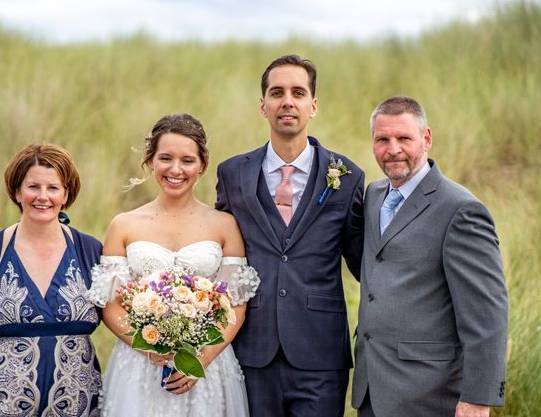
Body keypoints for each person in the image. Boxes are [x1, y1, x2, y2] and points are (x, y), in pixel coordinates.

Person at [215, 55, 365, 416]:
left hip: (321, 354)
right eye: (277, 92)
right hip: (252, 349)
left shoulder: (346, 176)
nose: (287, 101)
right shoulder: (233, 173)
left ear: (312, 105)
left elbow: (364, 263)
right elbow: (219, 252)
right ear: (262, 105)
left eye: (298, 93)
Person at [88, 113, 260, 417]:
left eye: (187, 160)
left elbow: (236, 305)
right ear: (150, 160)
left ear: (203, 164)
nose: (175, 170)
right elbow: (111, 305)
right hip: (139, 365)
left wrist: (200, 361)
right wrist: (150, 349)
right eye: (165, 158)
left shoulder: (225, 225)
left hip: (207, 363)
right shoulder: (123, 225)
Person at [351, 96, 508, 417]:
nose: (392, 149)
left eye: (404, 138)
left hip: (430, 394)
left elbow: (486, 311)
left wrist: (478, 398)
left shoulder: (461, 209)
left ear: (426, 139)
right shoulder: (374, 195)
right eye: (382, 139)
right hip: (372, 389)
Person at [0, 143, 103, 417]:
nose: (43, 197)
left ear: (66, 194)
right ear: (17, 191)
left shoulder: (90, 250)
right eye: (33, 187)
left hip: (79, 404)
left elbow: (121, 318)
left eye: (53, 188)